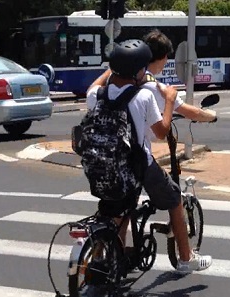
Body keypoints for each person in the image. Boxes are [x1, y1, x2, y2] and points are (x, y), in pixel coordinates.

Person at [85, 38, 212, 273]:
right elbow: (162, 132)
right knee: (174, 198)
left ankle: (114, 261)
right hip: (138, 164)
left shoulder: (97, 95)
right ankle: (186, 258)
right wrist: (170, 100)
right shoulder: (143, 96)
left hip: (105, 165)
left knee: (118, 211)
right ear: (140, 70)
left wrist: (111, 70)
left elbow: (93, 86)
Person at [89, 29, 217, 123]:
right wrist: (211, 116)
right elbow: (192, 114)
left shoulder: (107, 86)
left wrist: (114, 67)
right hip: (136, 155)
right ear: (163, 57)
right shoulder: (154, 89)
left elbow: (91, 90)